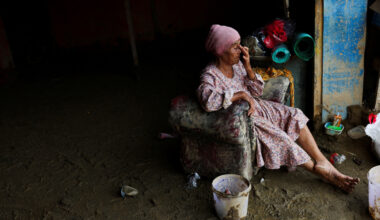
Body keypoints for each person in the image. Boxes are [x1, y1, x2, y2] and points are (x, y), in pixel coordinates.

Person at [197, 24, 359, 193]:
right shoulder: (210, 75)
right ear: (220, 51)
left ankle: (322, 160)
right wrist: (240, 95)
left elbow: (257, 91)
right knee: (282, 139)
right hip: (246, 120)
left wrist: (248, 69)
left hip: (259, 107)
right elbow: (207, 101)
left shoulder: (237, 66)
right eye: (234, 46)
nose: (241, 49)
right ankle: (324, 173)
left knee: (294, 114)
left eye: (240, 44)